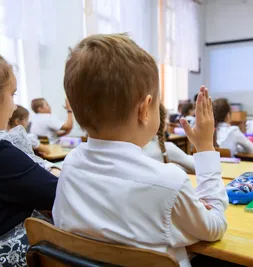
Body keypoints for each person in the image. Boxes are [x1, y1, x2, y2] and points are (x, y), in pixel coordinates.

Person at [52, 34, 228, 267]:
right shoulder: (169, 182)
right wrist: (205, 148)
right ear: (145, 109)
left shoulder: (70, 166)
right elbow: (215, 226)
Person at [0, 55, 58, 267]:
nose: (14, 107)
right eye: (12, 95)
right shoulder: (3, 152)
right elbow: (56, 193)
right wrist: (52, 170)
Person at [143, 103, 195, 173]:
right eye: (166, 118)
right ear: (163, 122)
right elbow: (195, 166)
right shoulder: (168, 148)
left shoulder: (133, 148)